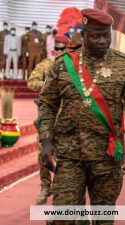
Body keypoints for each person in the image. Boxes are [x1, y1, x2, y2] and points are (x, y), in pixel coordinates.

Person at [38, 8, 125, 225]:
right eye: (95, 36)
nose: (102, 41)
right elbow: (47, 105)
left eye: (106, 36)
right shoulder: (63, 65)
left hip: (107, 157)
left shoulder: (124, 65)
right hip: (70, 154)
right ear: (83, 34)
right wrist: (46, 140)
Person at [27, 34, 71, 204]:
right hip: (47, 118)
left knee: (65, 156)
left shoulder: (74, 67)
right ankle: (46, 185)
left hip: (67, 119)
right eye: (57, 49)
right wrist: (49, 84)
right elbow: (32, 82)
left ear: (68, 49)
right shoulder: (46, 65)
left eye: (62, 49)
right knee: (42, 153)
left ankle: (61, 190)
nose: (59, 52)